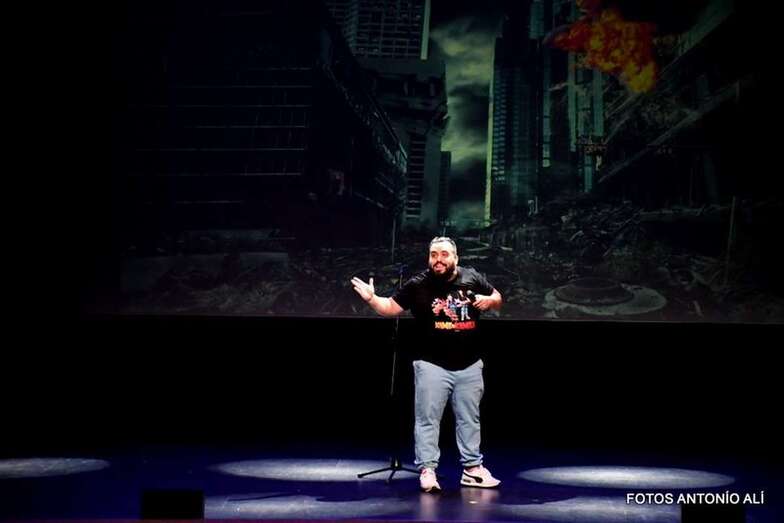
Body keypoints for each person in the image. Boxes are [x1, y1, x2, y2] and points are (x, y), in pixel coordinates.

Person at [351, 237, 503, 493]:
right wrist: (372, 299)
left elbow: (497, 297)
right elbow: (390, 308)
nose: (438, 260)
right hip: (432, 364)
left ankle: (472, 470)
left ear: (455, 258)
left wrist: (489, 301)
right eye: (433, 255)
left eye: (444, 254)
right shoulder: (418, 284)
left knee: (470, 419)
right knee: (427, 420)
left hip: (469, 364)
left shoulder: (472, 277)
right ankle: (428, 470)